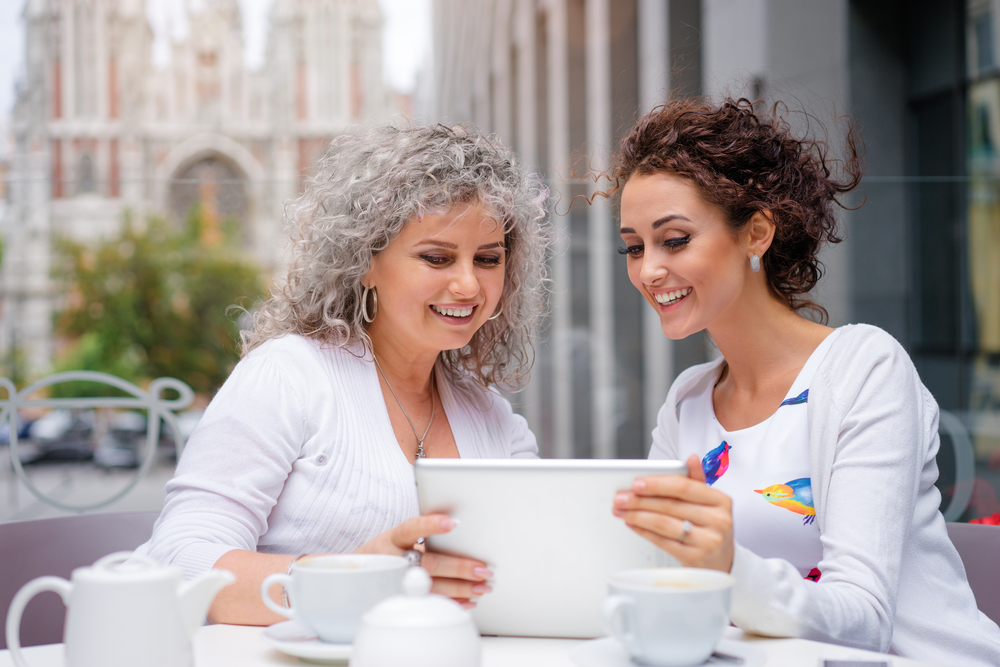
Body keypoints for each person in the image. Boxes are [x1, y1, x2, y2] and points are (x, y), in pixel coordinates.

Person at [609, 98, 1000, 666]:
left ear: (757, 233)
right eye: (633, 246)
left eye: (674, 240)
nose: (647, 270)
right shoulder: (687, 402)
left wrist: (727, 565)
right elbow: (663, 578)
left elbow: (864, 622)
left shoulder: (864, 370)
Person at [134, 124, 550, 625]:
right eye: (436, 257)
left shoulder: (496, 422)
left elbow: (536, 572)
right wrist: (356, 580)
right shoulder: (288, 376)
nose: (468, 284)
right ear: (364, 261)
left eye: (488, 259)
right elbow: (177, 560)